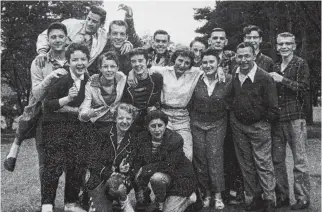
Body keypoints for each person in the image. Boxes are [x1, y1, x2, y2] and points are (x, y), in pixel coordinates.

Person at [4, 22, 69, 172]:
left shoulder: (75, 59)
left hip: (66, 108)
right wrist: (51, 77)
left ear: (67, 39)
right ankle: (14, 148)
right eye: (53, 37)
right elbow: (37, 94)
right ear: (48, 40)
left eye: (61, 36)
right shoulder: (39, 61)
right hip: (44, 107)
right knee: (30, 113)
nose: (57, 40)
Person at [40, 43, 90, 212]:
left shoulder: (88, 81)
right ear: (68, 62)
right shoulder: (62, 79)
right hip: (55, 129)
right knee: (53, 166)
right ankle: (47, 203)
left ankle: (71, 203)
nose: (80, 63)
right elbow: (47, 105)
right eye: (75, 59)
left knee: (76, 166)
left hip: (77, 129)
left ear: (88, 61)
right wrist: (67, 99)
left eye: (83, 59)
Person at [229, 42, 278, 212]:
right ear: (236, 56)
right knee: (246, 164)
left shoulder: (264, 77)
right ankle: (251, 199)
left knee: (263, 163)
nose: (243, 60)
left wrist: (263, 123)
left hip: (259, 127)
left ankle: (269, 199)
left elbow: (273, 108)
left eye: (246, 56)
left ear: (253, 55)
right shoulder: (233, 75)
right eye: (240, 56)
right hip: (239, 127)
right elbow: (230, 98)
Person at [270, 32, 310, 210]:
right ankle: (282, 197)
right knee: (277, 160)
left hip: (295, 118)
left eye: (287, 43)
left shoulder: (300, 63)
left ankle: (303, 198)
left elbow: (305, 88)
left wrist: (282, 80)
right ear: (277, 47)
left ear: (294, 46)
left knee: (299, 161)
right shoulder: (276, 65)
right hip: (278, 120)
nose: (284, 46)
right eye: (280, 44)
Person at [36, 5, 134, 75]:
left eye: (95, 21)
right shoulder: (71, 25)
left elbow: (116, 37)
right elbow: (45, 35)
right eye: (89, 19)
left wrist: (126, 42)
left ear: (101, 24)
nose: (90, 23)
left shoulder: (103, 36)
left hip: (77, 75)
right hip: (53, 67)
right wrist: (42, 51)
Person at [190, 48, 232, 209]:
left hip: (217, 123)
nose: (208, 65)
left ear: (218, 63)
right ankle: (206, 193)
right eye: (205, 62)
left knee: (214, 156)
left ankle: (218, 194)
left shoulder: (227, 79)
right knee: (200, 158)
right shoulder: (196, 78)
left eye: (211, 62)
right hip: (197, 123)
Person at [134, 109, 197, 212]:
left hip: (179, 180)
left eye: (160, 125)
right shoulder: (142, 138)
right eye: (153, 126)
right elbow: (137, 160)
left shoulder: (175, 139)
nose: (157, 130)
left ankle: (190, 198)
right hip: (164, 180)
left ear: (165, 125)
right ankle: (160, 201)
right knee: (156, 178)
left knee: (157, 179)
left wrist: (144, 169)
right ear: (147, 127)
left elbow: (168, 166)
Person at [84, 103, 139, 212]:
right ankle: (93, 199)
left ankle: (123, 200)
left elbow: (133, 164)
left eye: (128, 118)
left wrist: (125, 167)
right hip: (100, 178)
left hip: (119, 180)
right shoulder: (103, 133)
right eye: (121, 118)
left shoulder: (133, 139)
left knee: (119, 185)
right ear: (115, 119)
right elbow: (91, 161)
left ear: (132, 120)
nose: (124, 121)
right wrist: (109, 173)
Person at [121, 47, 163, 133]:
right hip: (132, 121)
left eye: (140, 61)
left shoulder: (156, 78)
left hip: (151, 120)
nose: (137, 64)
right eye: (133, 61)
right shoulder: (126, 81)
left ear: (147, 61)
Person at [78, 51, 127, 124]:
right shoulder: (91, 83)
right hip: (98, 122)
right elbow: (84, 109)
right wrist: (88, 115)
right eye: (105, 66)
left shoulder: (122, 78)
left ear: (117, 68)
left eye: (113, 66)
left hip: (117, 122)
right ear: (100, 68)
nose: (109, 70)